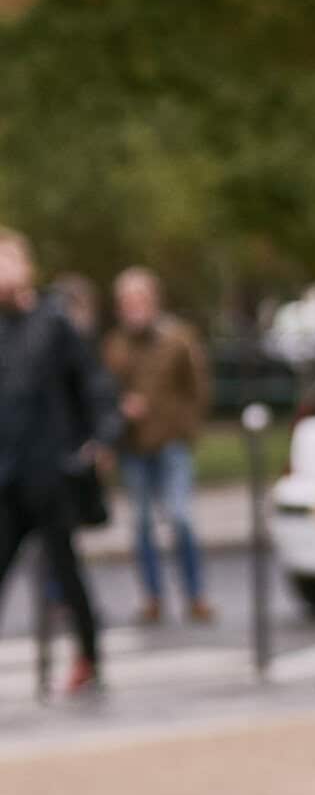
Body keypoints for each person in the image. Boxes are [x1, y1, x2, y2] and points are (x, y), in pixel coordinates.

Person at [0, 227, 116, 696]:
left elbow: (92, 385)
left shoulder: (53, 321)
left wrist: (98, 439)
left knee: (66, 572)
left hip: (49, 472)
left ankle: (89, 656)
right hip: (6, 474)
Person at [101, 268, 213, 625]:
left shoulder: (178, 339)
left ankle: (196, 595)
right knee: (142, 525)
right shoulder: (116, 345)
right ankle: (152, 597)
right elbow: (102, 393)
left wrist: (187, 429)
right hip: (134, 446)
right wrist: (120, 409)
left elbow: (198, 389)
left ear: (153, 301)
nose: (134, 308)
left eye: (140, 299)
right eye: (127, 301)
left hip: (171, 443)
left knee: (180, 518)